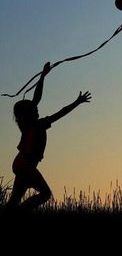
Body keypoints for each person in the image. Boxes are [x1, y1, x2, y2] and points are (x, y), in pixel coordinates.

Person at [6, 62, 92, 212]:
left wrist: (43, 76)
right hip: (26, 165)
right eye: (34, 108)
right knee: (45, 194)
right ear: (29, 113)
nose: (37, 107)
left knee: (13, 202)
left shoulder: (25, 125)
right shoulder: (38, 124)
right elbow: (61, 112)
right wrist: (77, 102)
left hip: (21, 164)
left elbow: (36, 99)